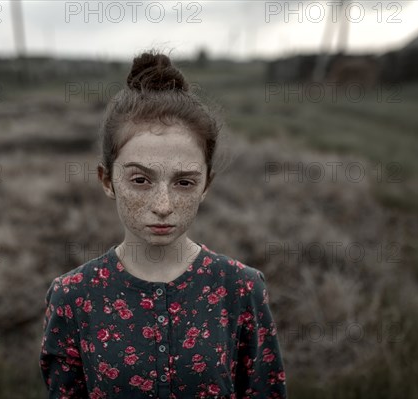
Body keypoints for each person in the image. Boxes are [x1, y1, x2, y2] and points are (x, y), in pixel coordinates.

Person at [39, 50, 287, 399]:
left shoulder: (240, 289)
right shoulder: (74, 297)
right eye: (140, 180)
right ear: (107, 180)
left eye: (184, 182)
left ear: (206, 186)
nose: (163, 206)